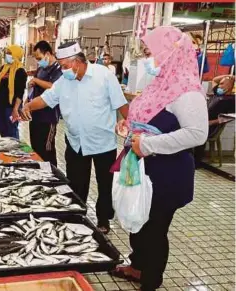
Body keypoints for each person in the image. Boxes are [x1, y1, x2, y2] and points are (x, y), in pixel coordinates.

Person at [111, 26, 208, 291]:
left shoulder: (187, 91)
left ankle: (151, 280)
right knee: (138, 221)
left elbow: (197, 134)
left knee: (154, 230)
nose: (146, 59)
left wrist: (149, 144)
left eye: (150, 52)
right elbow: (144, 118)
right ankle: (137, 266)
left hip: (167, 172)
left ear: (170, 54)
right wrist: (128, 127)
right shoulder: (159, 84)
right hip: (143, 166)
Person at [21, 42, 128, 233]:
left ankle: (103, 220)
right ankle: (77, 216)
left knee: (105, 183)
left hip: (102, 142)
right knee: (77, 183)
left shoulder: (104, 76)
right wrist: (28, 105)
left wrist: (132, 125)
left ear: (77, 62)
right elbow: (46, 99)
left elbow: (121, 104)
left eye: (64, 66)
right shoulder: (64, 81)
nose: (62, 70)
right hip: (76, 142)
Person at [27, 40, 62, 166]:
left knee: (47, 150)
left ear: (47, 53)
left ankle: (52, 175)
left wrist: (36, 80)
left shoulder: (58, 69)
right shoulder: (41, 68)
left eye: (39, 58)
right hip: (36, 115)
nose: (38, 61)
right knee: (35, 147)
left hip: (49, 117)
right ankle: (40, 174)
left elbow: (54, 86)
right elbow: (35, 86)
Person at [194, 74, 235, 167]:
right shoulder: (218, 92)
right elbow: (215, 79)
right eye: (220, 84)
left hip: (212, 126)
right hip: (202, 121)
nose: (219, 86)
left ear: (229, 86)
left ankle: (196, 163)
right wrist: (229, 75)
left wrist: (210, 123)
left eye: (222, 84)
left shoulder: (232, 100)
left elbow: (228, 118)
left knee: (198, 132)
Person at [0, 45, 27, 139]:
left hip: (11, 107)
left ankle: (14, 151)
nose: (7, 55)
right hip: (1, 104)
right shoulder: (4, 67)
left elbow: (20, 92)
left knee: (11, 130)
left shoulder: (20, 71)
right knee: (2, 129)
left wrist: (16, 109)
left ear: (16, 55)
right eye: (6, 53)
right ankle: (5, 151)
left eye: (9, 53)